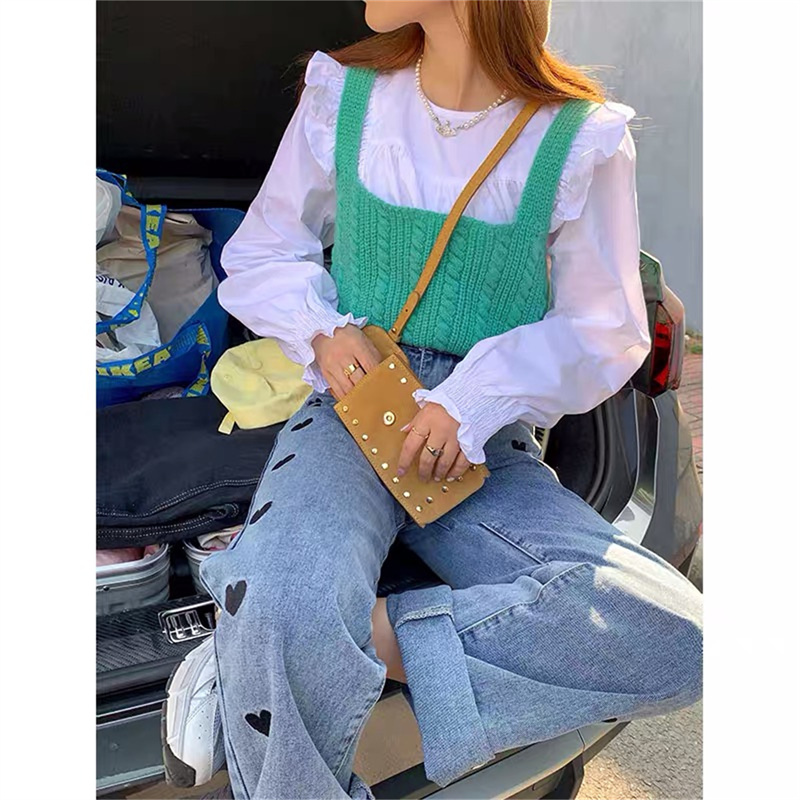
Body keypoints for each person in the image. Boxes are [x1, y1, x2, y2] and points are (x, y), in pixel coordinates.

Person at [162, 2, 703, 798]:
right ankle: (275, 639)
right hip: (348, 410)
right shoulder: (343, 96)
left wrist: (473, 400)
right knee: (285, 595)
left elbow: (603, 327)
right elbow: (265, 249)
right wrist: (320, 331)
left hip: (482, 438)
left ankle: (278, 648)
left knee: (677, 637)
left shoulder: (578, 138)